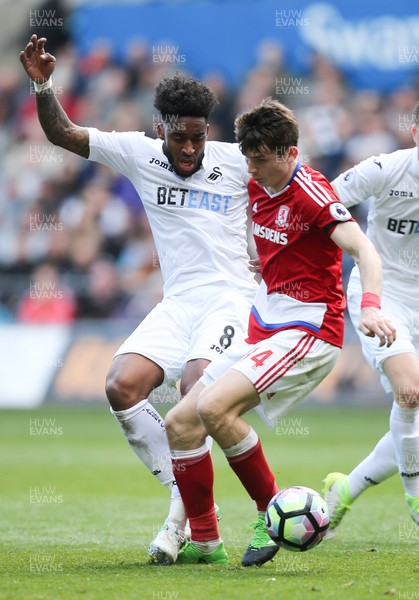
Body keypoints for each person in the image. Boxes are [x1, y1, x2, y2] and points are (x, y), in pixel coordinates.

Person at [20, 34, 258, 564]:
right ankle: (183, 491)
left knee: (197, 390)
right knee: (121, 385)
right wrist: (43, 85)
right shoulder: (139, 153)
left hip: (231, 300)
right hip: (178, 304)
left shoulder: (239, 161)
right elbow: (62, 132)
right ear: (161, 130)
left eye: (198, 138)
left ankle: (191, 524)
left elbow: (292, 187)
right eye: (180, 138)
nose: (190, 150)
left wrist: (272, 251)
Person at [164, 98, 396, 567]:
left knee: (212, 407)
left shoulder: (312, 192)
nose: (253, 168)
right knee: (180, 424)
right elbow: (283, 243)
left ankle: (267, 514)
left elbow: (366, 252)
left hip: (308, 329)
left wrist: (370, 307)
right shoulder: (255, 181)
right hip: (264, 321)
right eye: (248, 158)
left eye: (263, 159)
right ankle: (206, 544)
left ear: (290, 153)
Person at [323, 102, 419, 533]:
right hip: (384, 294)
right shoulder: (385, 169)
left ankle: (347, 489)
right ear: (414, 132)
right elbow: (321, 202)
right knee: (412, 391)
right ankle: (416, 494)